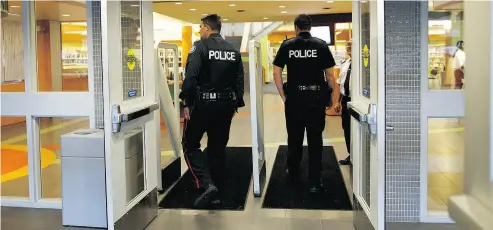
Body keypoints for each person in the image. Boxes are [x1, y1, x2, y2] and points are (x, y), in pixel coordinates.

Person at [179, 14, 245, 208]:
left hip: (202, 106)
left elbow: (191, 77)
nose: (199, 31)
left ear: (207, 28)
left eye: (200, 27)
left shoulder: (200, 47)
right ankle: (217, 188)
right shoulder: (233, 50)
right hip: (225, 106)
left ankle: (206, 184)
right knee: (217, 148)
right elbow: (239, 82)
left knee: (190, 144)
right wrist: (235, 105)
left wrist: (186, 103)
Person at [272, 14, 336, 193]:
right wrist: (331, 96)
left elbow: (276, 72)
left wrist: (283, 96)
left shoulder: (287, 45)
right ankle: (315, 181)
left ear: (296, 27)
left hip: (295, 99)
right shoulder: (321, 45)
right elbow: (330, 75)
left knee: (294, 138)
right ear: (310, 27)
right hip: (316, 98)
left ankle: (293, 173)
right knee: (316, 139)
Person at [335, 42, 352, 165]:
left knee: (355, 129)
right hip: (345, 100)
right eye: (348, 47)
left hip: (355, 100)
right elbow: (340, 85)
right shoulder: (345, 64)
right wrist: (337, 102)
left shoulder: (363, 65)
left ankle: (359, 155)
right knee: (346, 128)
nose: (349, 49)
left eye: (352, 46)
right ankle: (351, 155)